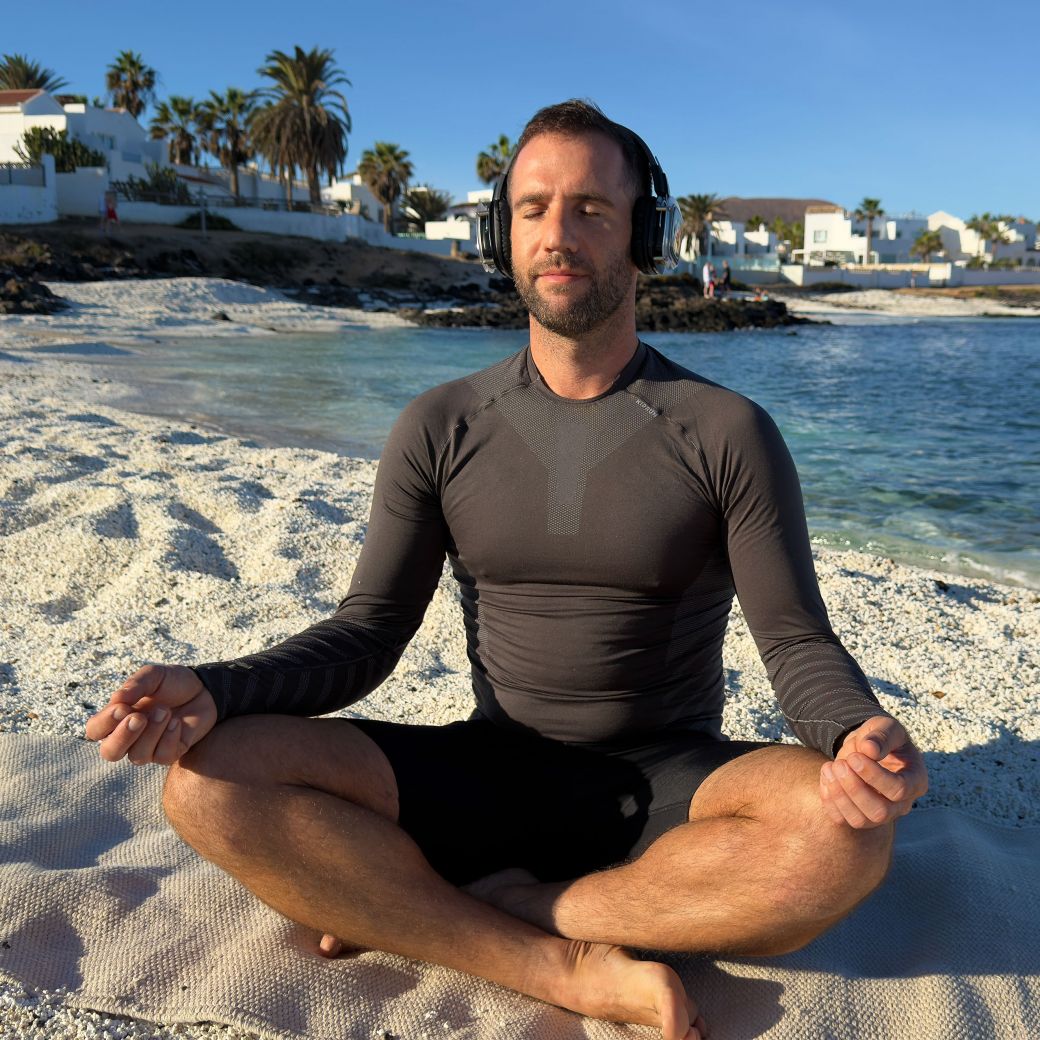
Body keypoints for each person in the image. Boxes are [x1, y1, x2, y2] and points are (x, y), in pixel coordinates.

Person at [86, 100, 927, 1040]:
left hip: (670, 786)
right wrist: (216, 687)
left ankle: (506, 909)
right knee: (207, 781)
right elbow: (367, 633)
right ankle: (548, 961)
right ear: (502, 233)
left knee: (840, 839)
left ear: (645, 234)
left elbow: (795, 639)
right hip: (484, 770)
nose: (558, 236)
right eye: (533, 209)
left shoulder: (724, 431)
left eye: (591, 210)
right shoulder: (440, 425)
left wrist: (856, 732)